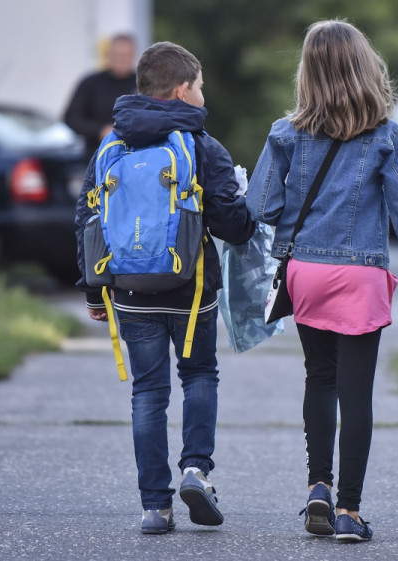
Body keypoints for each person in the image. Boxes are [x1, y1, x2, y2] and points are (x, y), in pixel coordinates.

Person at [246, 20, 398, 542]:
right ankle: (350, 512)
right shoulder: (386, 136)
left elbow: (261, 206)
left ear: (307, 73)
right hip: (359, 274)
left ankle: (318, 487)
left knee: (320, 377)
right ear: (366, 67)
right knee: (357, 391)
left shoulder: (285, 132)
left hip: (306, 273)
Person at [73, 41, 255, 534]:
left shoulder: (112, 145)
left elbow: (89, 218)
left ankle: (155, 506)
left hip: (129, 291)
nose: (203, 95)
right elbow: (233, 225)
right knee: (198, 375)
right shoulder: (200, 145)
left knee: (148, 393)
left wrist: (95, 292)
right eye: (198, 87)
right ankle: (196, 469)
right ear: (180, 91)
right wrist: (244, 204)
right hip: (191, 288)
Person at [64, 34, 138, 161]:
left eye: (126, 55)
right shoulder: (91, 83)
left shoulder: (143, 84)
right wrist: (100, 130)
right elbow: (71, 117)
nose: (122, 59)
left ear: (134, 56)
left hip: (134, 158)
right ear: (109, 55)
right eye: (118, 55)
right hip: (96, 158)